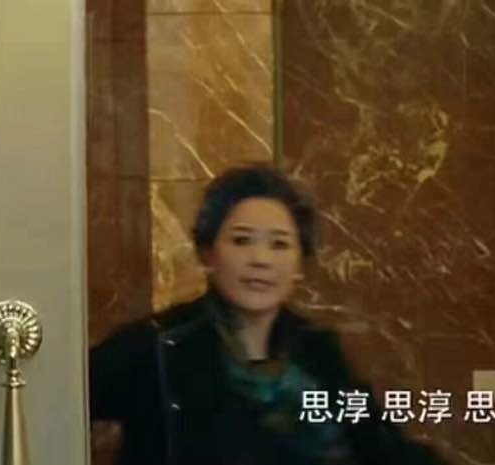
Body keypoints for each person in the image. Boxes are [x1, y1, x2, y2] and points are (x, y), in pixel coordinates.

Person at [90, 165, 446, 465]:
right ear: (208, 252)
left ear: (299, 264)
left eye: (279, 244)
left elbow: (383, 449)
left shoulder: (317, 354)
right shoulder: (156, 345)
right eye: (241, 240)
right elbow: (64, 405)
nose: (260, 259)